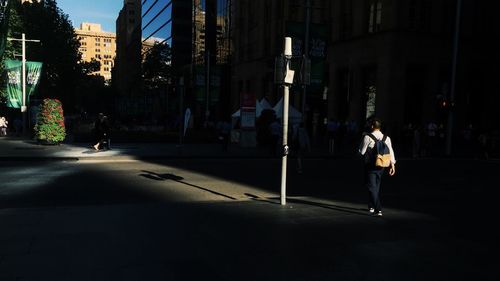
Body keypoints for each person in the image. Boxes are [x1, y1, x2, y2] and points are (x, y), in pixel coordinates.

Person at [358, 118, 396, 217]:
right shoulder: (386, 138)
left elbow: (362, 152)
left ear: (372, 126)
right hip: (382, 165)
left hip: (370, 165)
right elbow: (391, 151)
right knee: (376, 186)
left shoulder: (367, 137)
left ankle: (378, 209)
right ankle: (371, 206)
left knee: (371, 186)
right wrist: (392, 165)